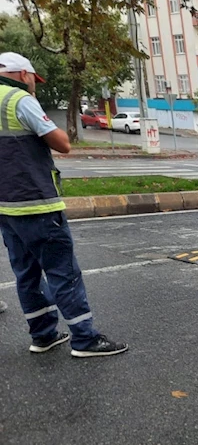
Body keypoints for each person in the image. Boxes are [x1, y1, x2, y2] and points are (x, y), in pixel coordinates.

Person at [0, 52, 128, 357]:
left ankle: (42, 335)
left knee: (26, 273)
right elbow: (63, 143)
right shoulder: (17, 100)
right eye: (34, 79)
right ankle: (85, 339)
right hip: (36, 202)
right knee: (62, 271)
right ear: (24, 74)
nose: (35, 85)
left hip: (5, 207)